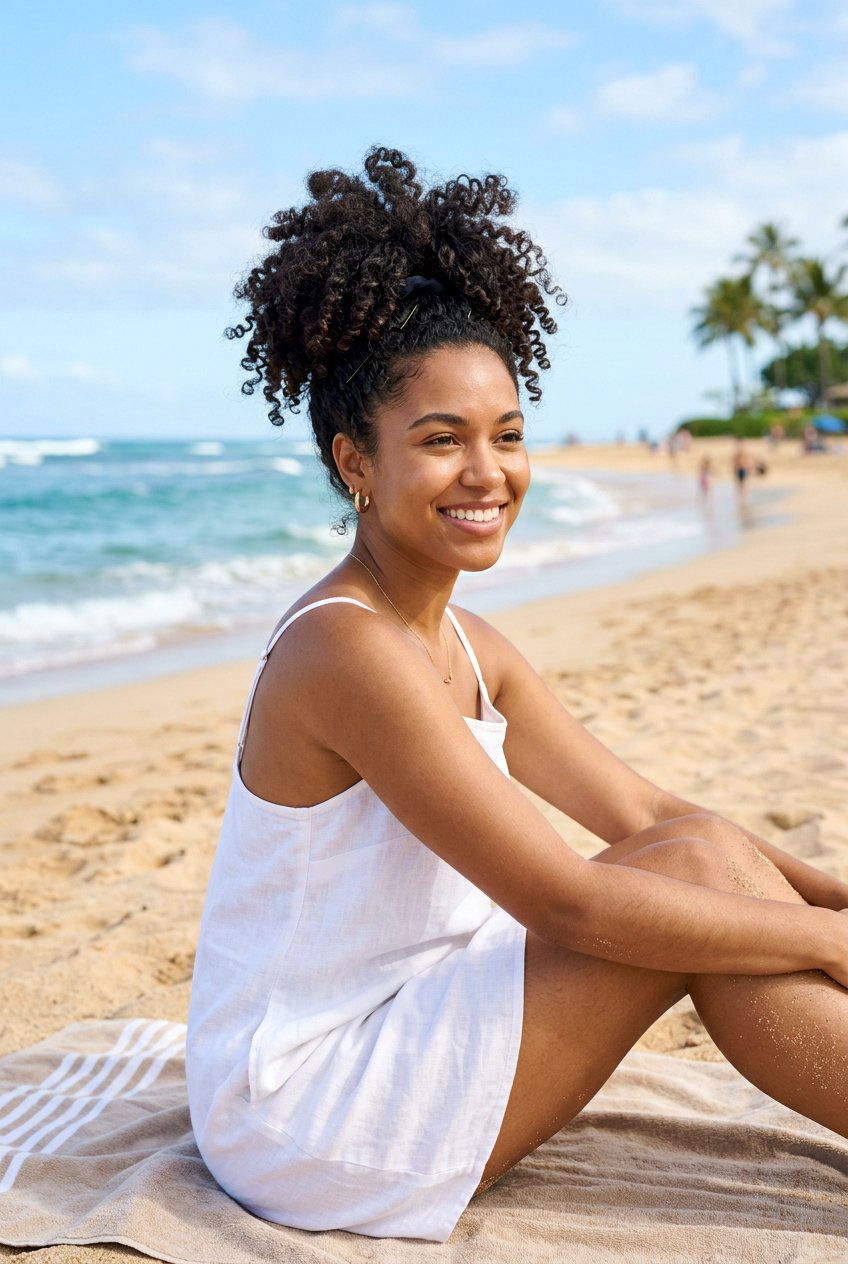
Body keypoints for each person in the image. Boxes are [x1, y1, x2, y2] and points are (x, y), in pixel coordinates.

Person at [185, 145, 848, 1244]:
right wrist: (828, 947)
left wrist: (828, 902)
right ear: (355, 462)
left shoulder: (466, 640)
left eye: (506, 434)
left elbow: (649, 819)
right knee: (683, 889)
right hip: (305, 1104)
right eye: (438, 441)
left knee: (694, 853)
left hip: (421, 1015)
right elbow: (566, 902)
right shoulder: (343, 653)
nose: (486, 473)